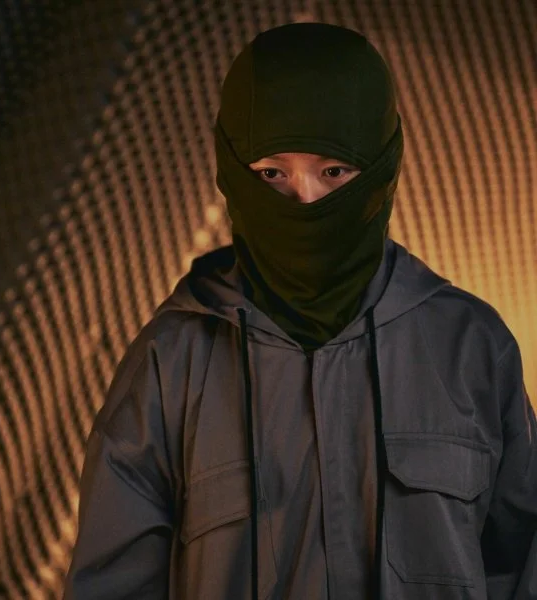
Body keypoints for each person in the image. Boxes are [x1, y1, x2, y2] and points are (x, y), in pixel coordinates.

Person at [62, 22, 537, 599]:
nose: (305, 200)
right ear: (231, 171)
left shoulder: (472, 349)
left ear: (382, 168)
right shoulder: (172, 362)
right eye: (272, 173)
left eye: (334, 171)